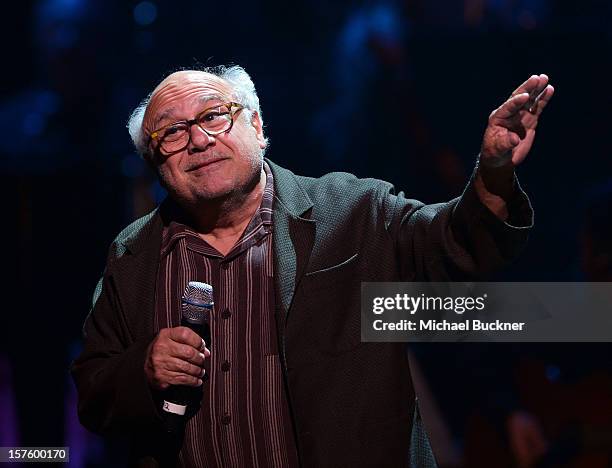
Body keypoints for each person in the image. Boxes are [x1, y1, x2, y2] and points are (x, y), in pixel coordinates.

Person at [71, 65, 554, 467]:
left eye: (214, 116)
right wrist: (144, 368)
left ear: (258, 128)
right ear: (156, 162)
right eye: (172, 132)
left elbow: (455, 246)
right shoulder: (133, 255)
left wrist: (492, 173)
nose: (197, 139)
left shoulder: (352, 209)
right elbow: (93, 391)